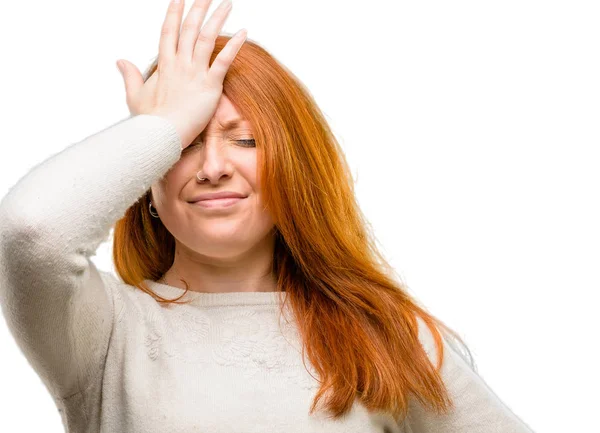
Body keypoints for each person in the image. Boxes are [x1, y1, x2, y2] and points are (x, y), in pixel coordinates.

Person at [0, 0, 536, 431]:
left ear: (294, 171)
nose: (212, 167)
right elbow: (31, 231)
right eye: (185, 145)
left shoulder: (384, 335)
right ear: (146, 183)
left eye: (247, 139)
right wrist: (162, 126)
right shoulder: (105, 329)